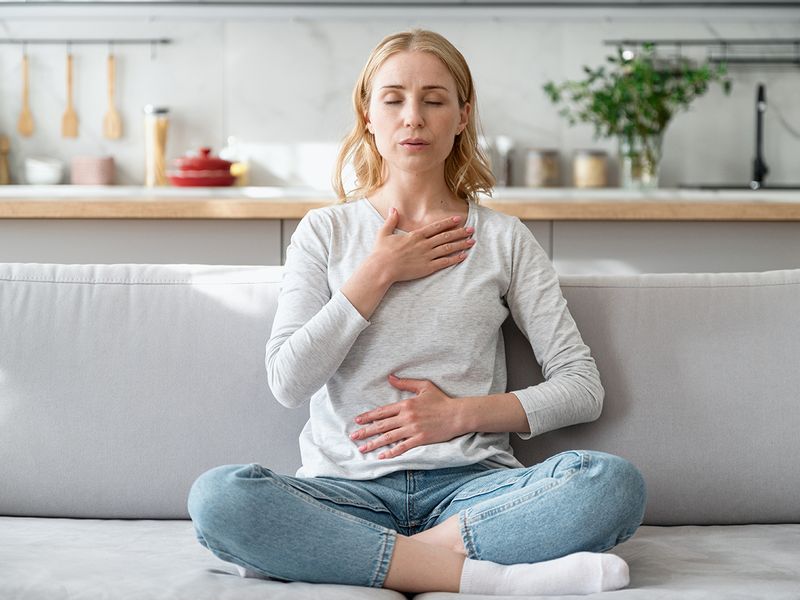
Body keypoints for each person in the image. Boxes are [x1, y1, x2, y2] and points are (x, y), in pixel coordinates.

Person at [188, 28, 646, 596]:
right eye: (394, 99)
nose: (414, 118)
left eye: (434, 100)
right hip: (346, 492)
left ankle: (354, 558)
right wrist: (377, 272)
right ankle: (491, 580)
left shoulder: (503, 239)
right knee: (218, 498)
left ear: (462, 116)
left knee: (611, 484)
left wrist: (460, 415)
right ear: (368, 113)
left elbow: (582, 386)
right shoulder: (324, 233)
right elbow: (288, 381)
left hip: (471, 493)